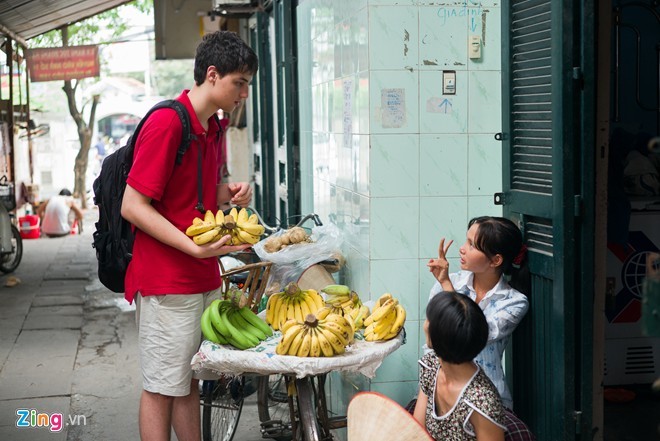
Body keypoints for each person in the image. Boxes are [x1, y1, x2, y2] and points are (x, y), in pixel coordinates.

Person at [119, 31, 258, 441]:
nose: (244, 93)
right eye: (241, 82)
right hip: (166, 279)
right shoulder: (167, 123)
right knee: (162, 387)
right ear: (212, 75)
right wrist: (193, 248)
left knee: (189, 382)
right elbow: (133, 205)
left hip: (200, 276)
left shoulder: (214, 127)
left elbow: (204, 197)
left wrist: (230, 195)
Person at [427, 216, 530, 410]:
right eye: (467, 240)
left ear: (495, 260)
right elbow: (432, 338)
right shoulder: (452, 281)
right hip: (443, 391)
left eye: (472, 245)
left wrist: (446, 285)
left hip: (486, 399)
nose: (462, 248)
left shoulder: (514, 302)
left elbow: (469, 334)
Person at [414, 290, 507, 440]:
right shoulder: (431, 366)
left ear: (440, 335)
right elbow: (417, 432)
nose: (425, 325)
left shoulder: (482, 401)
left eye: (428, 320)